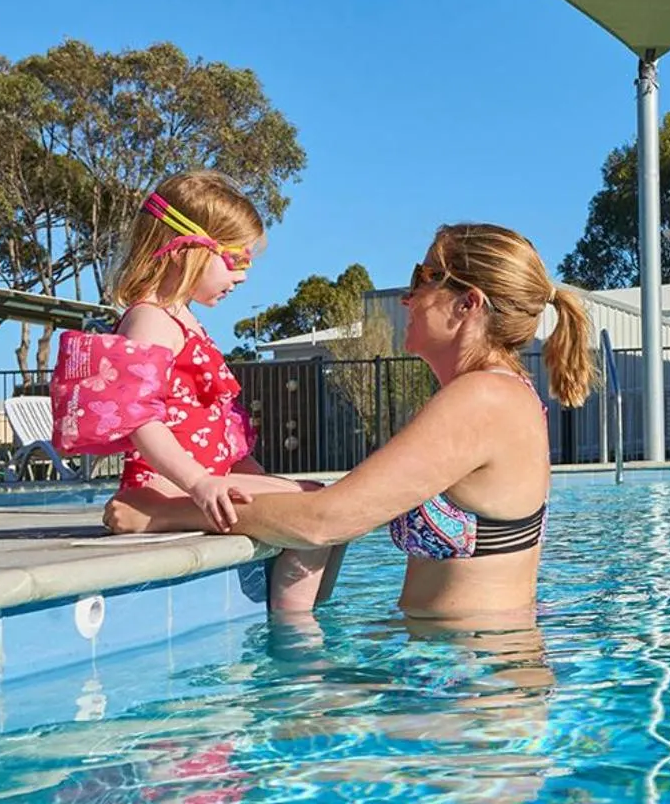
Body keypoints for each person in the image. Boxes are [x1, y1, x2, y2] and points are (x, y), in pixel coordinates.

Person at [110, 223, 594, 618]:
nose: (408, 297)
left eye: (422, 278)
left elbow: (324, 521)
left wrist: (165, 510)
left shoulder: (483, 399)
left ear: (468, 303)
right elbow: (335, 507)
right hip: (467, 674)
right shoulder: (500, 393)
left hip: (471, 694)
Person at [71, 171, 342, 597]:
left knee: (331, 507)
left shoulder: (184, 320)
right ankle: (295, 633)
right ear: (186, 250)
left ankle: (305, 619)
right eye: (236, 260)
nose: (244, 277)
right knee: (317, 511)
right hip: (169, 486)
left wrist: (257, 478)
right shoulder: (150, 320)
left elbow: (213, 426)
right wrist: (198, 484)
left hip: (206, 479)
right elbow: (140, 418)